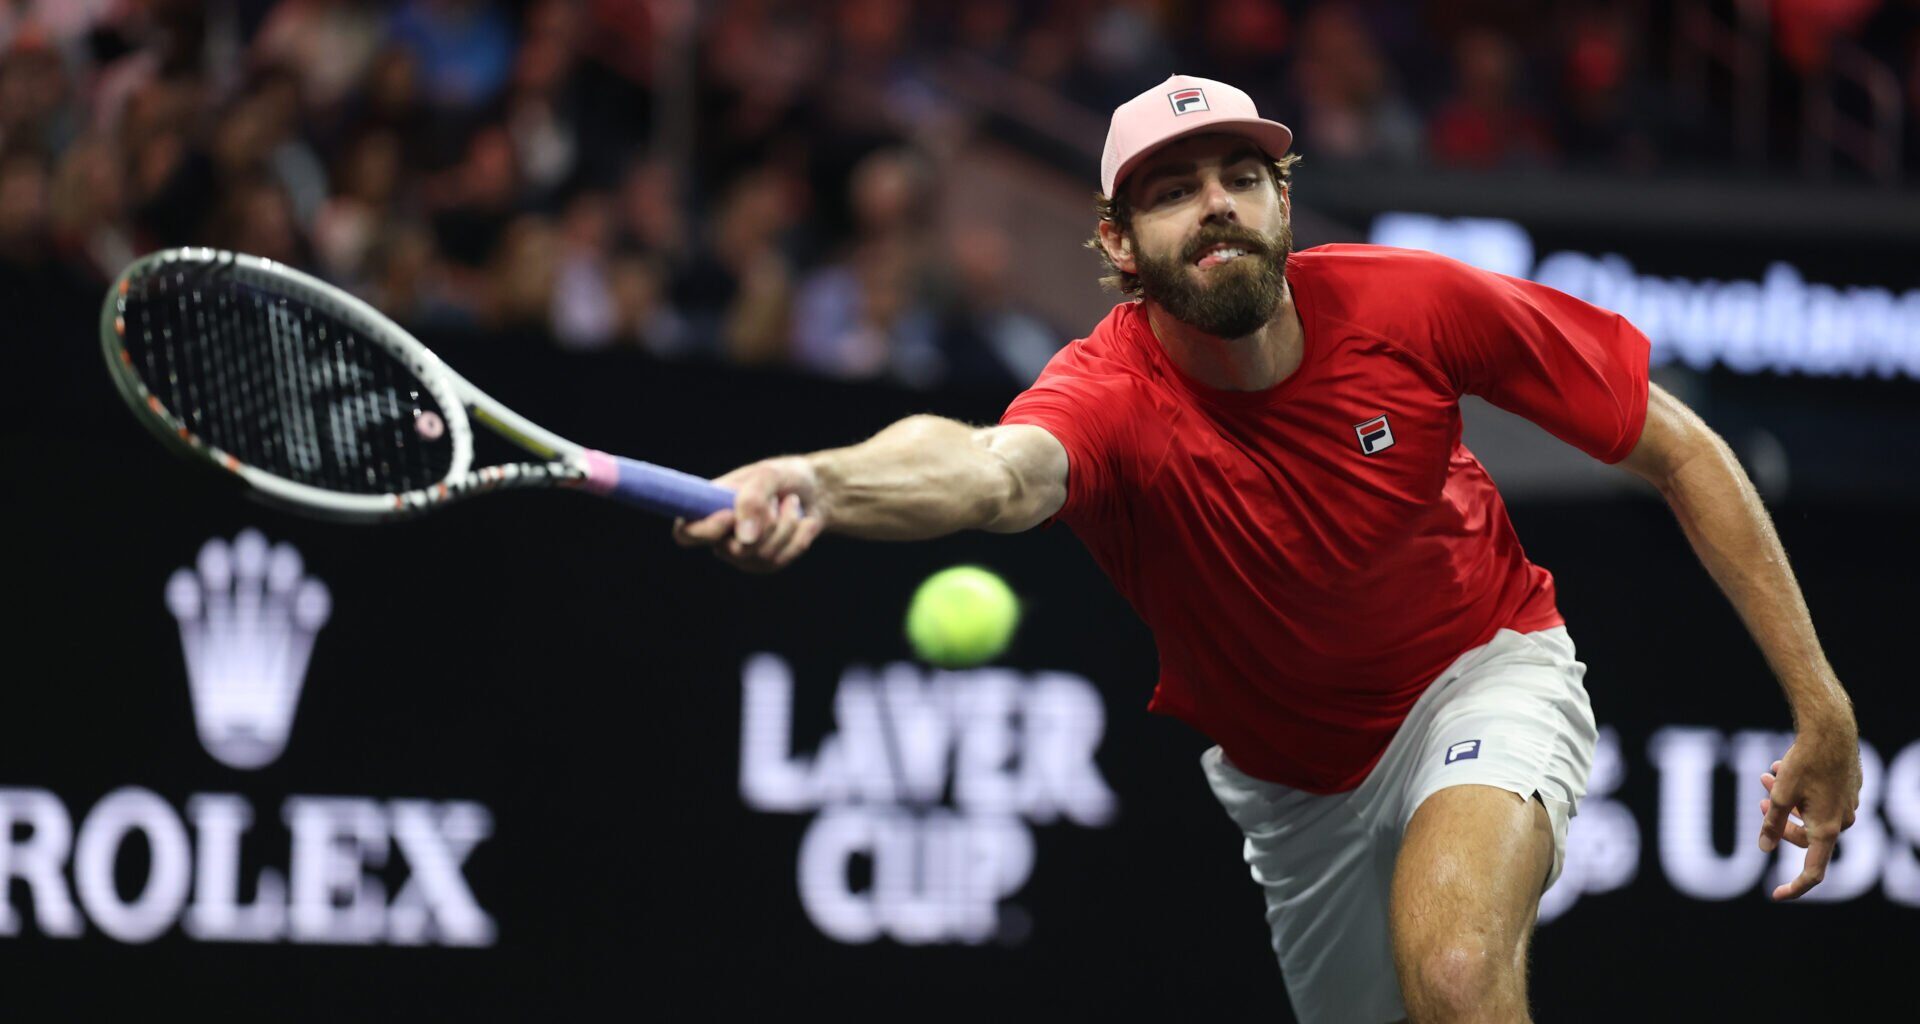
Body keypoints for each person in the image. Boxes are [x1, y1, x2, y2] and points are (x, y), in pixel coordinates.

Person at [672, 74, 1862, 1024]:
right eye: (1174, 189)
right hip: (1296, 794)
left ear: (1283, 202)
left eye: (1243, 175)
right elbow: (989, 468)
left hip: (1484, 667)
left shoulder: (1413, 304)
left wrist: (1822, 703)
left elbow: (1684, 448)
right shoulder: (1105, 395)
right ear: (1120, 246)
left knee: (1454, 972)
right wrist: (816, 480)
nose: (1219, 203)